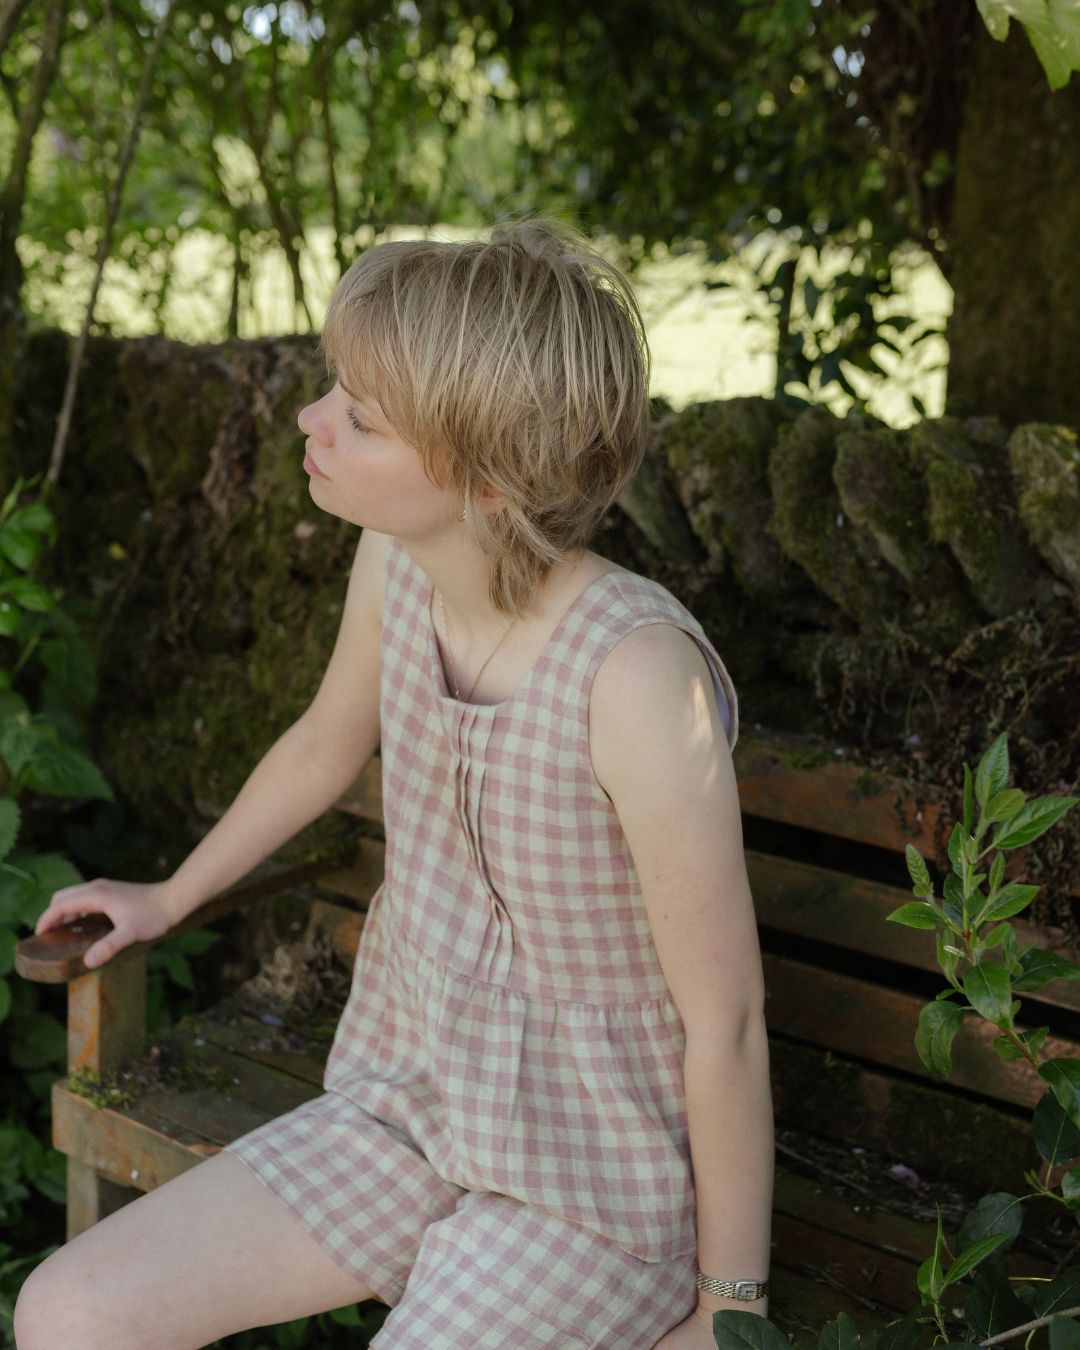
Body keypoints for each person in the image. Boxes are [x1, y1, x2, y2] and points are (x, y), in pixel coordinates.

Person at [15, 218, 774, 1350]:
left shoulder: (636, 678)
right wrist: (169, 897)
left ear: (486, 474)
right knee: (66, 1312)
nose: (313, 422)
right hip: (411, 1105)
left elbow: (729, 1024)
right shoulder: (399, 564)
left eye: (361, 418)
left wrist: (730, 1314)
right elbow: (326, 744)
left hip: (587, 1184)